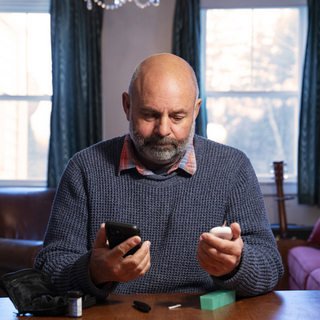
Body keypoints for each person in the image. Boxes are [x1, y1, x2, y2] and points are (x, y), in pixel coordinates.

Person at [34, 53, 284, 300]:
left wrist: (237, 265)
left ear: (195, 110)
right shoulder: (84, 169)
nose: (163, 130)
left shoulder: (233, 167)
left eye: (177, 117)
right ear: (127, 106)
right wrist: (93, 271)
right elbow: (48, 269)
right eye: (150, 115)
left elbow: (271, 267)